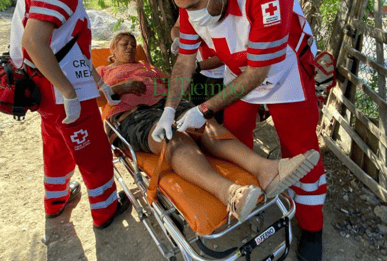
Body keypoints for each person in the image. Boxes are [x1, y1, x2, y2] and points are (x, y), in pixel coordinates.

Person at [154, 0, 327, 261]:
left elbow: (259, 73)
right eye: (184, 10)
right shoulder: (191, 0)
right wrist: (169, 109)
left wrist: (203, 110)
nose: (190, 18)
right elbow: (184, 61)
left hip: (283, 68)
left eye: (193, 7)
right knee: (230, 135)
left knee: (301, 148)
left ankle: (312, 226)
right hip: (239, 66)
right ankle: (248, 197)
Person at [97, 32, 320, 223]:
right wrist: (121, 87)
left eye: (132, 43)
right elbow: (94, 98)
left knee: (207, 124)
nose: (129, 46)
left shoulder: (147, 66)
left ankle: (266, 170)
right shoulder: (103, 72)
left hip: (167, 105)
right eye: (123, 43)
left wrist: (169, 91)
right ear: (113, 50)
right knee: (172, 138)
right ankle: (230, 194)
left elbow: (172, 81)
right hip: (134, 114)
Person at [9, 0, 129, 229]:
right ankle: (106, 210)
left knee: (57, 146)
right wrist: (70, 92)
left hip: (48, 86)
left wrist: (100, 83)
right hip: (62, 91)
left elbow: (66, 46)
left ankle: (56, 200)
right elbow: (34, 41)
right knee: (94, 153)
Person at [170, 16, 225, 123]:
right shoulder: (189, 8)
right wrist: (178, 39)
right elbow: (177, 27)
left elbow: (225, 57)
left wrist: (196, 66)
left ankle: (218, 136)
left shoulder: (222, 14)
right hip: (199, 72)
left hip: (221, 74)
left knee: (212, 113)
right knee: (195, 106)